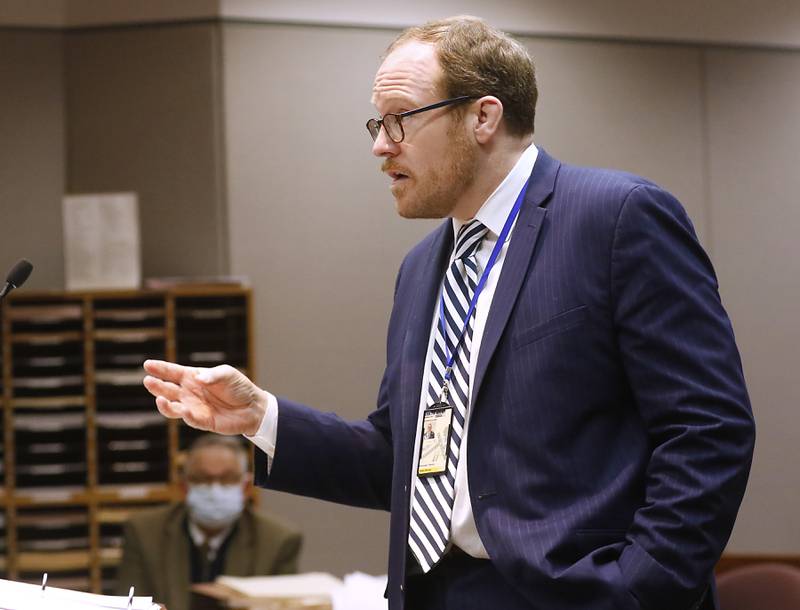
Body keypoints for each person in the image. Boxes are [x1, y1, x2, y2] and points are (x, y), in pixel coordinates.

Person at [142, 15, 755, 610]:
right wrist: (261, 418)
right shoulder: (419, 268)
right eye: (376, 124)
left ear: (482, 116)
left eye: (400, 120)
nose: (382, 146)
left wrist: (639, 590)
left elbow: (708, 428)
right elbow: (402, 458)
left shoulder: (615, 218)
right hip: (439, 589)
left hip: (579, 591)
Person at [115, 434, 302, 610]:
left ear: (245, 487)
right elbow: (130, 603)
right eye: (203, 479)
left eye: (227, 479)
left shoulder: (278, 541)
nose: (215, 489)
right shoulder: (144, 532)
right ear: (184, 486)